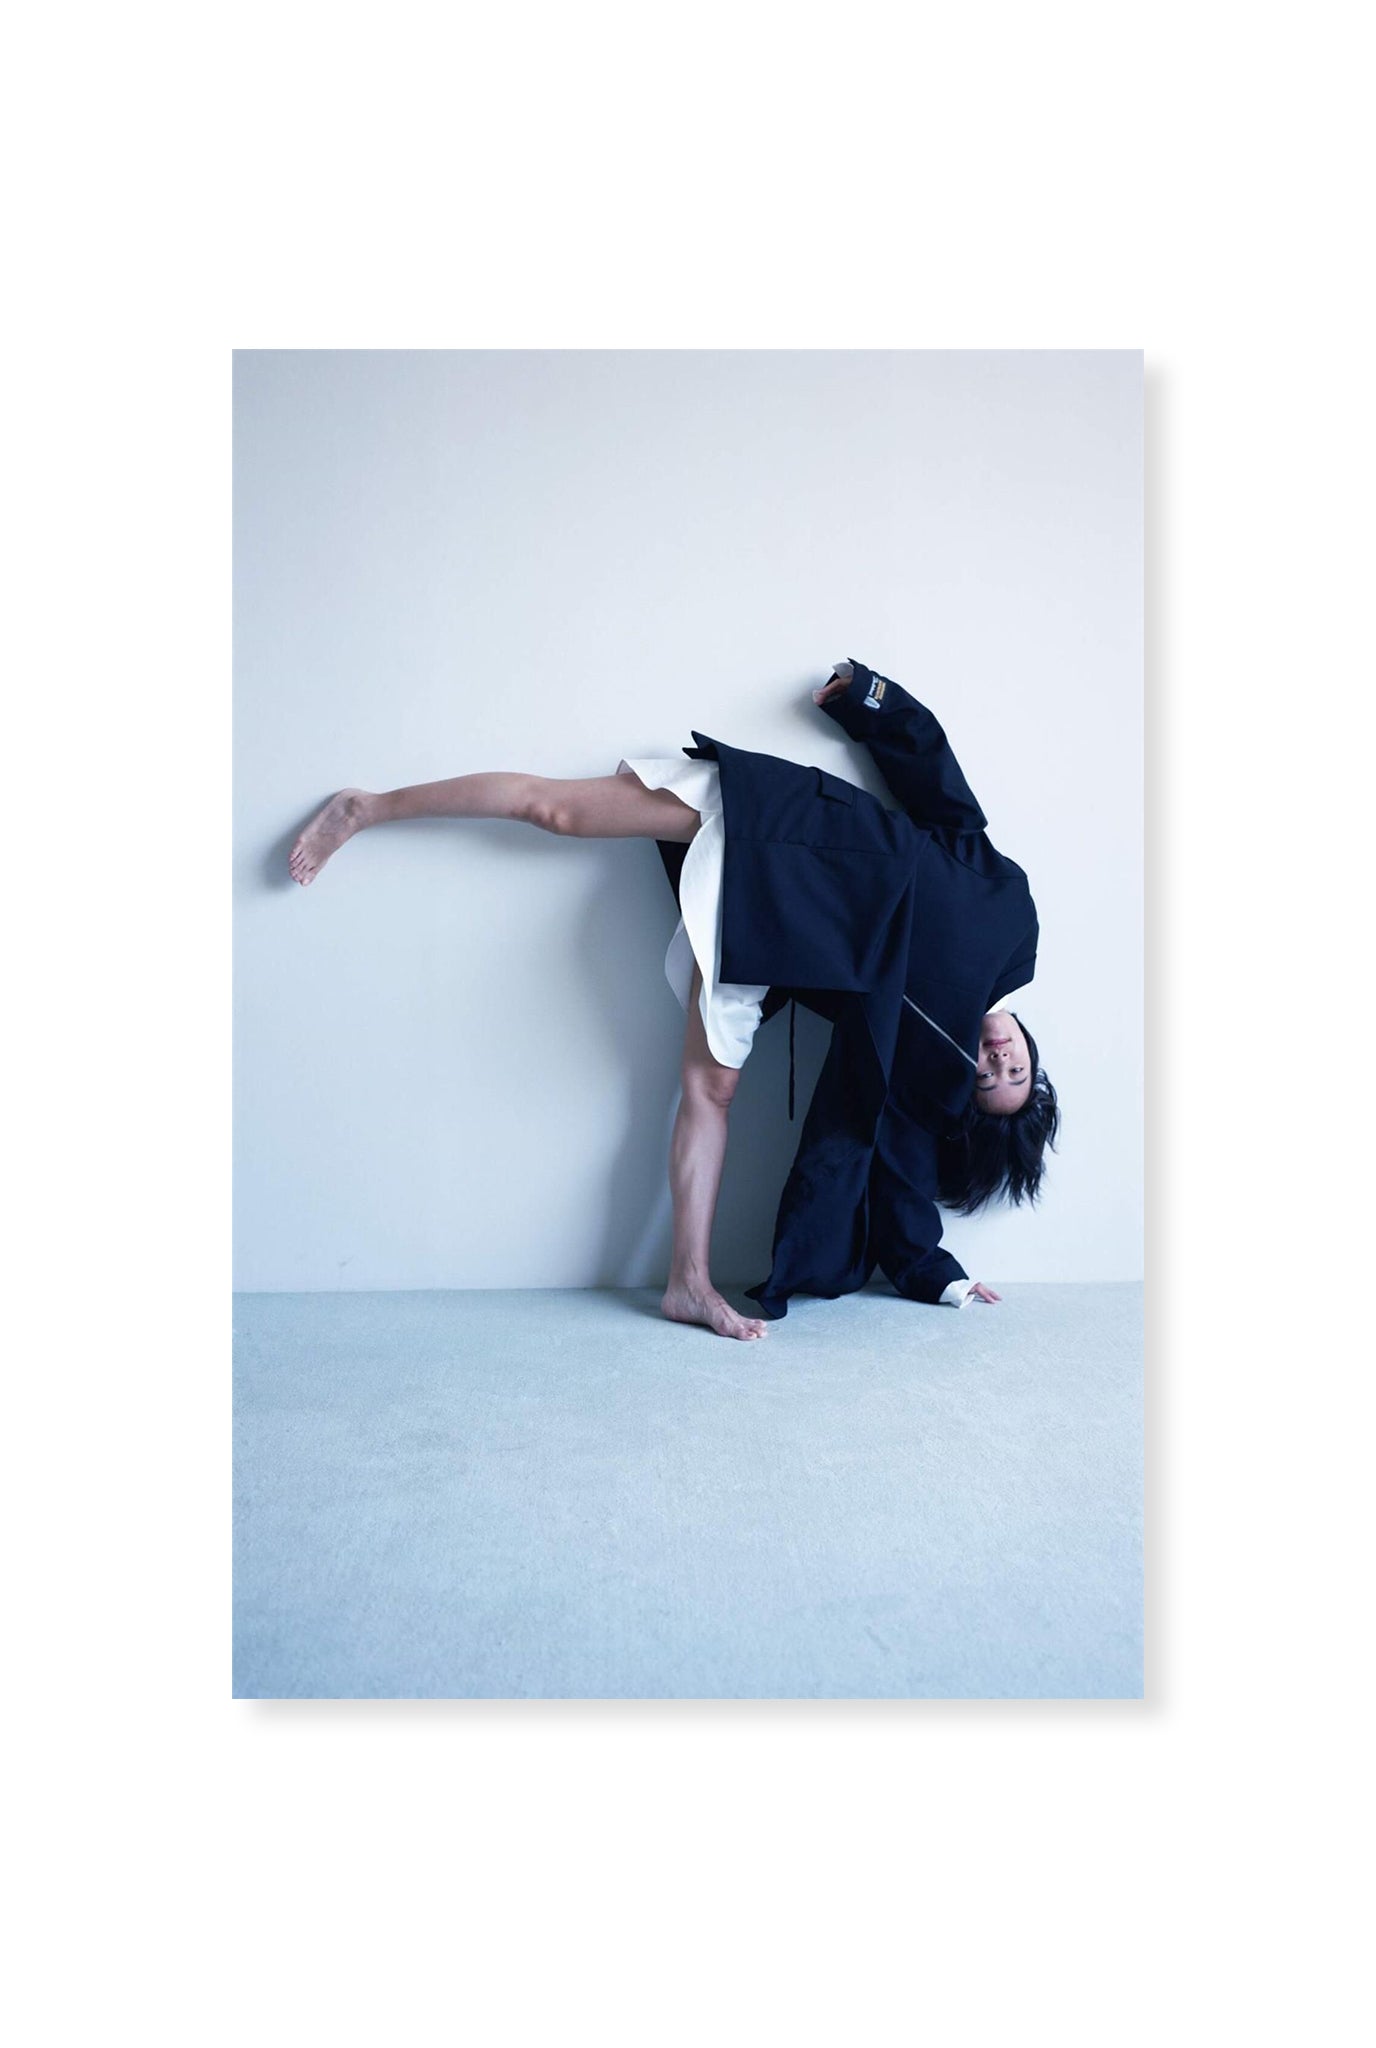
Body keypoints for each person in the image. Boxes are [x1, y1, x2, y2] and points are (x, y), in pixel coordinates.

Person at [288, 657, 1058, 1339]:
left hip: (771, 935)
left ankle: (687, 1283)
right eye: (1015, 1069)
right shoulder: (1010, 918)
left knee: (710, 1092)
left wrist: (938, 1276)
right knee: (553, 810)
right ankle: (367, 807)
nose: (996, 1060)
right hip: (792, 830)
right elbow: (946, 797)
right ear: (1031, 1051)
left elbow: (897, 1165)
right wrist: (870, 700)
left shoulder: (921, 1063)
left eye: (987, 1080)